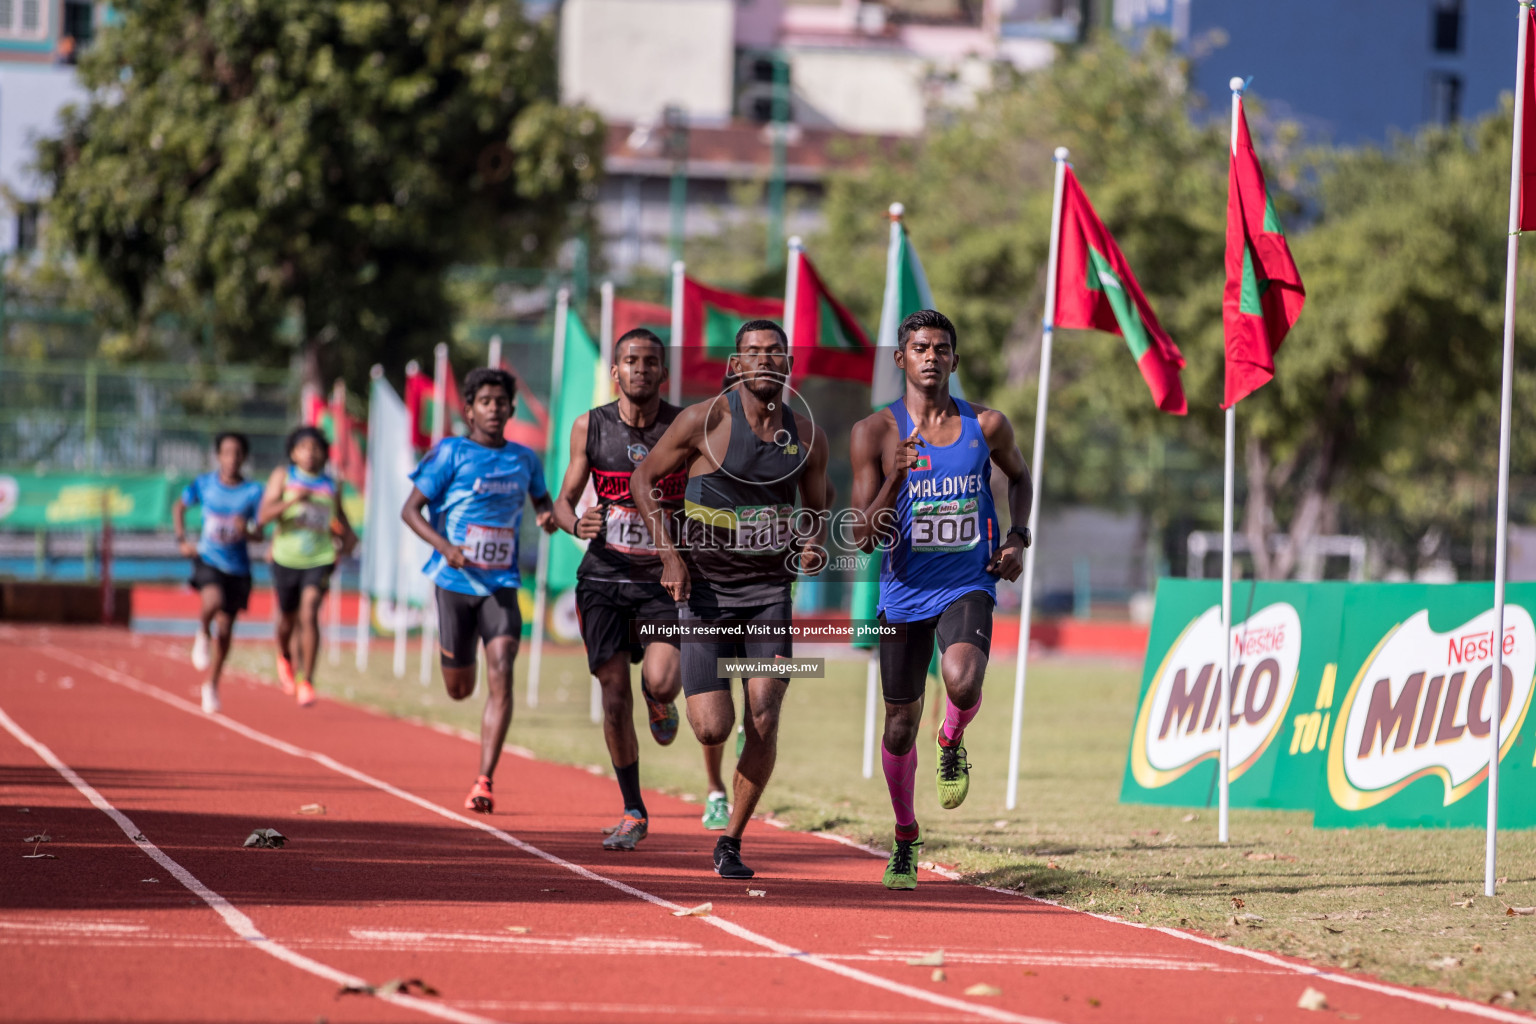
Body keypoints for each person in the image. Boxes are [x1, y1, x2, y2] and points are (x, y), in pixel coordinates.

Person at [632, 320, 830, 879]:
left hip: (769, 593)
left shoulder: (808, 435)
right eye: (753, 353)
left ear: (789, 363)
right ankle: (665, 697)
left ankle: (732, 841)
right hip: (706, 596)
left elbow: (815, 512)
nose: (765, 361)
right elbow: (643, 479)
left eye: (775, 353)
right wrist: (669, 555)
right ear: (735, 364)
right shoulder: (704, 420)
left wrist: (811, 546)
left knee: (764, 712)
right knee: (713, 727)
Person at [848, 309, 1031, 891]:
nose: (932, 356)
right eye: (920, 347)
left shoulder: (988, 425)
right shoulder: (874, 432)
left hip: (967, 582)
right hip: (904, 594)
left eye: (942, 348)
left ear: (954, 359)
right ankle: (905, 836)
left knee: (961, 679)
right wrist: (895, 478)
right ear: (901, 358)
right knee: (899, 726)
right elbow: (860, 534)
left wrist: (1017, 536)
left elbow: (1020, 479)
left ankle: (951, 738)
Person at [552, 329, 731, 849]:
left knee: (661, 679)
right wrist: (574, 522)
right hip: (604, 579)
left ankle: (659, 701)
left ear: (663, 373)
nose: (641, 370)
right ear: (616, 371)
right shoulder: (591, 427)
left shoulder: (684, 427)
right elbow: (564, 500)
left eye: (651, 362)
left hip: (662, 580)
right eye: (631, 361)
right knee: (612, 696)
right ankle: (633, 809)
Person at [402, 367, 556, 814]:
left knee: (503, 667)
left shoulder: (525, 459)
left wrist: (545, 516)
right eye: (484, 402)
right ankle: (455, 660)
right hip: (454, 583)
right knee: (459, 689)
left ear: (510, 409)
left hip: (501, 584)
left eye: (501, 402)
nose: (493, 408)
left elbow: (541, 501)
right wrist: (445, 546)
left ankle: (484, 780)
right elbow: (410, 510)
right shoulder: (450, 453)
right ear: (469, 410)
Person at [259, 426, 357, 708]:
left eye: (316, 449)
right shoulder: (284, 477)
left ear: (325, 454)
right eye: (304, 448)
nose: (310, 454)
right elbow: (264, 514)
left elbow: (342, 522)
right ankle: (285, 656)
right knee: (288, 619)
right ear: (293, 452)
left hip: (320, 557)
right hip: (286, 557)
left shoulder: (330, 484)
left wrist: (345, 543)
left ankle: (307, 680)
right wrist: (293, 500)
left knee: (310, 611)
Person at [173, 432, 265, 714]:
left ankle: (211, 683)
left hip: (237, 568)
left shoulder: (253, 492)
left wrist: (246, 531)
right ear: (218, 456)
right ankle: (202, 633)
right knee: (210, 601)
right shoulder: (204, 484)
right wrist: (182, 539)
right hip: (208, 558)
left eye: (237, 453)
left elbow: (259, 534)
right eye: (227, 452)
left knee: (225, 631)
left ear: (244, 458)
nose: (232, 459)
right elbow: (180, 505)